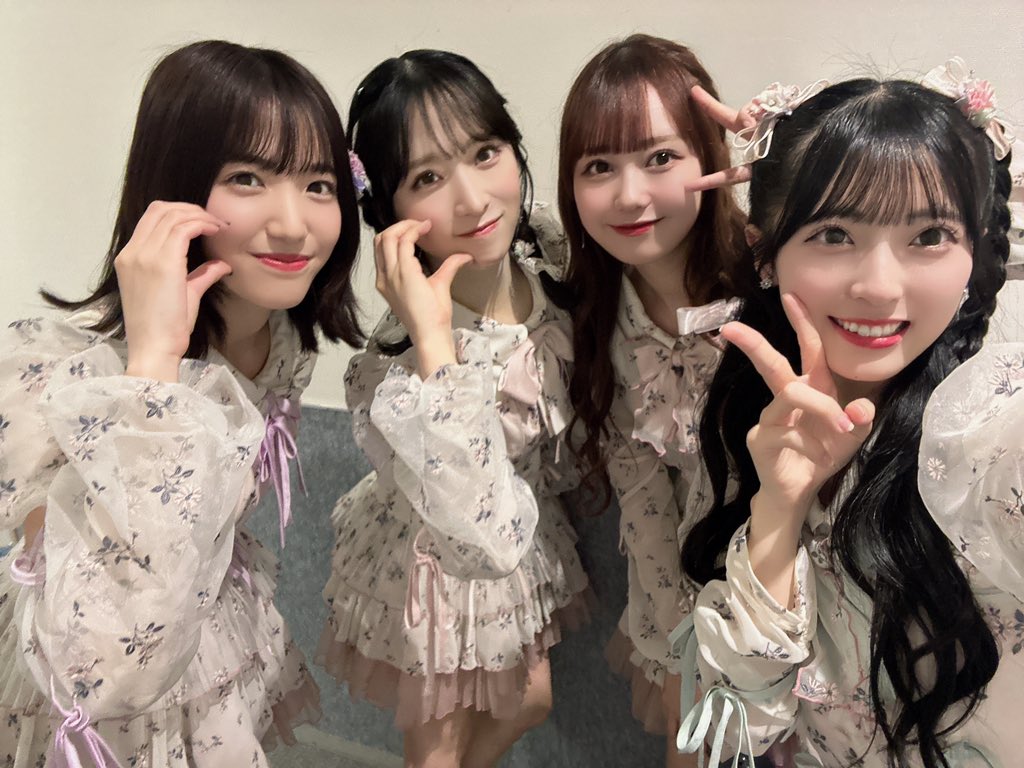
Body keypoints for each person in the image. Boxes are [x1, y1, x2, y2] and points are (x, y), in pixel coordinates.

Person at [0, 39, 362, 766]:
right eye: (247, 178)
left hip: (216, 646)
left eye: (319, 184)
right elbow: (101, 664)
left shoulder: (280, 341)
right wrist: (151, 373)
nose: (294, 222)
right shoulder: (58, 376)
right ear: (173, 189)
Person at [676, 58, 1017, 767]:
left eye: (929, 236)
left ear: (973, 253)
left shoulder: (993, 434)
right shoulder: (748, 422)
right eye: (834, 233)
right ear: (765, 254)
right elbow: (739, 727)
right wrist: (779, 510)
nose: (879, 287)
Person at [316, 50, 589, 768]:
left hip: (520, 529)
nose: (472, 199)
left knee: (529, 702)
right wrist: (435, 344)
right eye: (428, 179)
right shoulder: (399, 360)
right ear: (391, 214)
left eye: (485, 153)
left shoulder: (547, 257)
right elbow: (448, 489)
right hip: (433, 555)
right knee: (436, 745)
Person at [557, 34, 745, 764]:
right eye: (598, 167)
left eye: (661, 157)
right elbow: (642, 498)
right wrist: (678, 645)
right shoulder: (598, 321)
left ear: (710, 159)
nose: (630, 195)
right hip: (680, 593)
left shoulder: (774, 280)